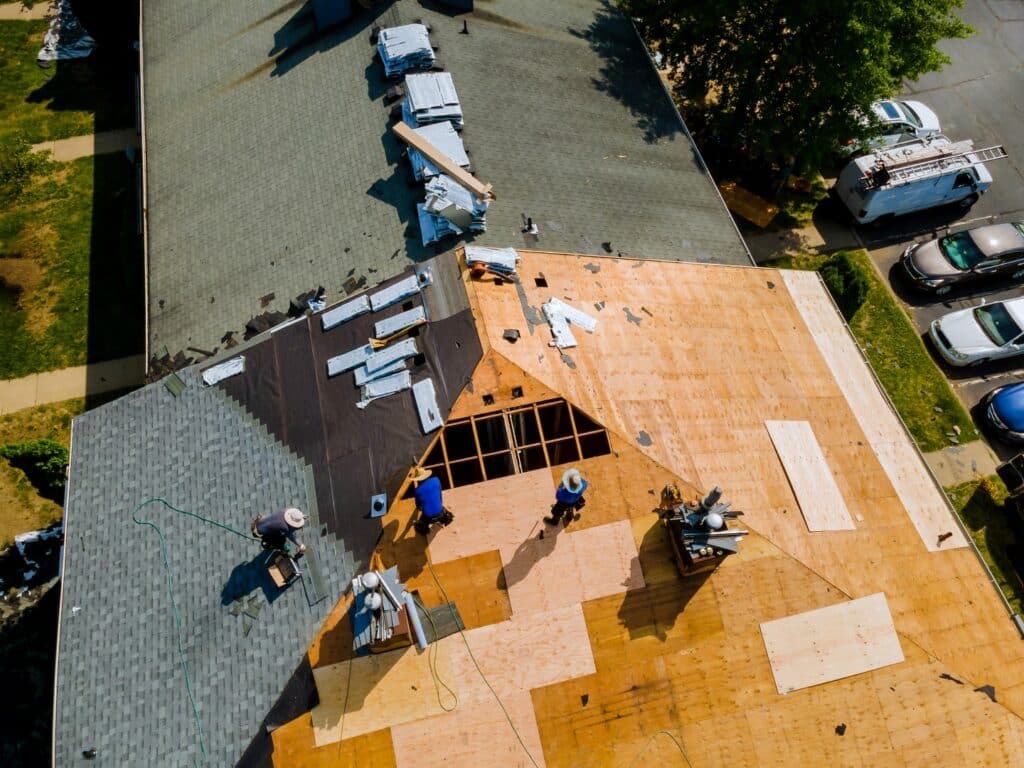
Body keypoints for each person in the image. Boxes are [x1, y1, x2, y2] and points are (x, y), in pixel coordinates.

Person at [411, 467, 453, 535]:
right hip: (440, 513)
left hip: (428, 518)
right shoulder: (436, 480)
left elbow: (419, 507)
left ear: (418, 480)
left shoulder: (417, 490)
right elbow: (439, 494)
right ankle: (446, 519)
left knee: (419, 525)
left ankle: (424, 530)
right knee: (447, 515)